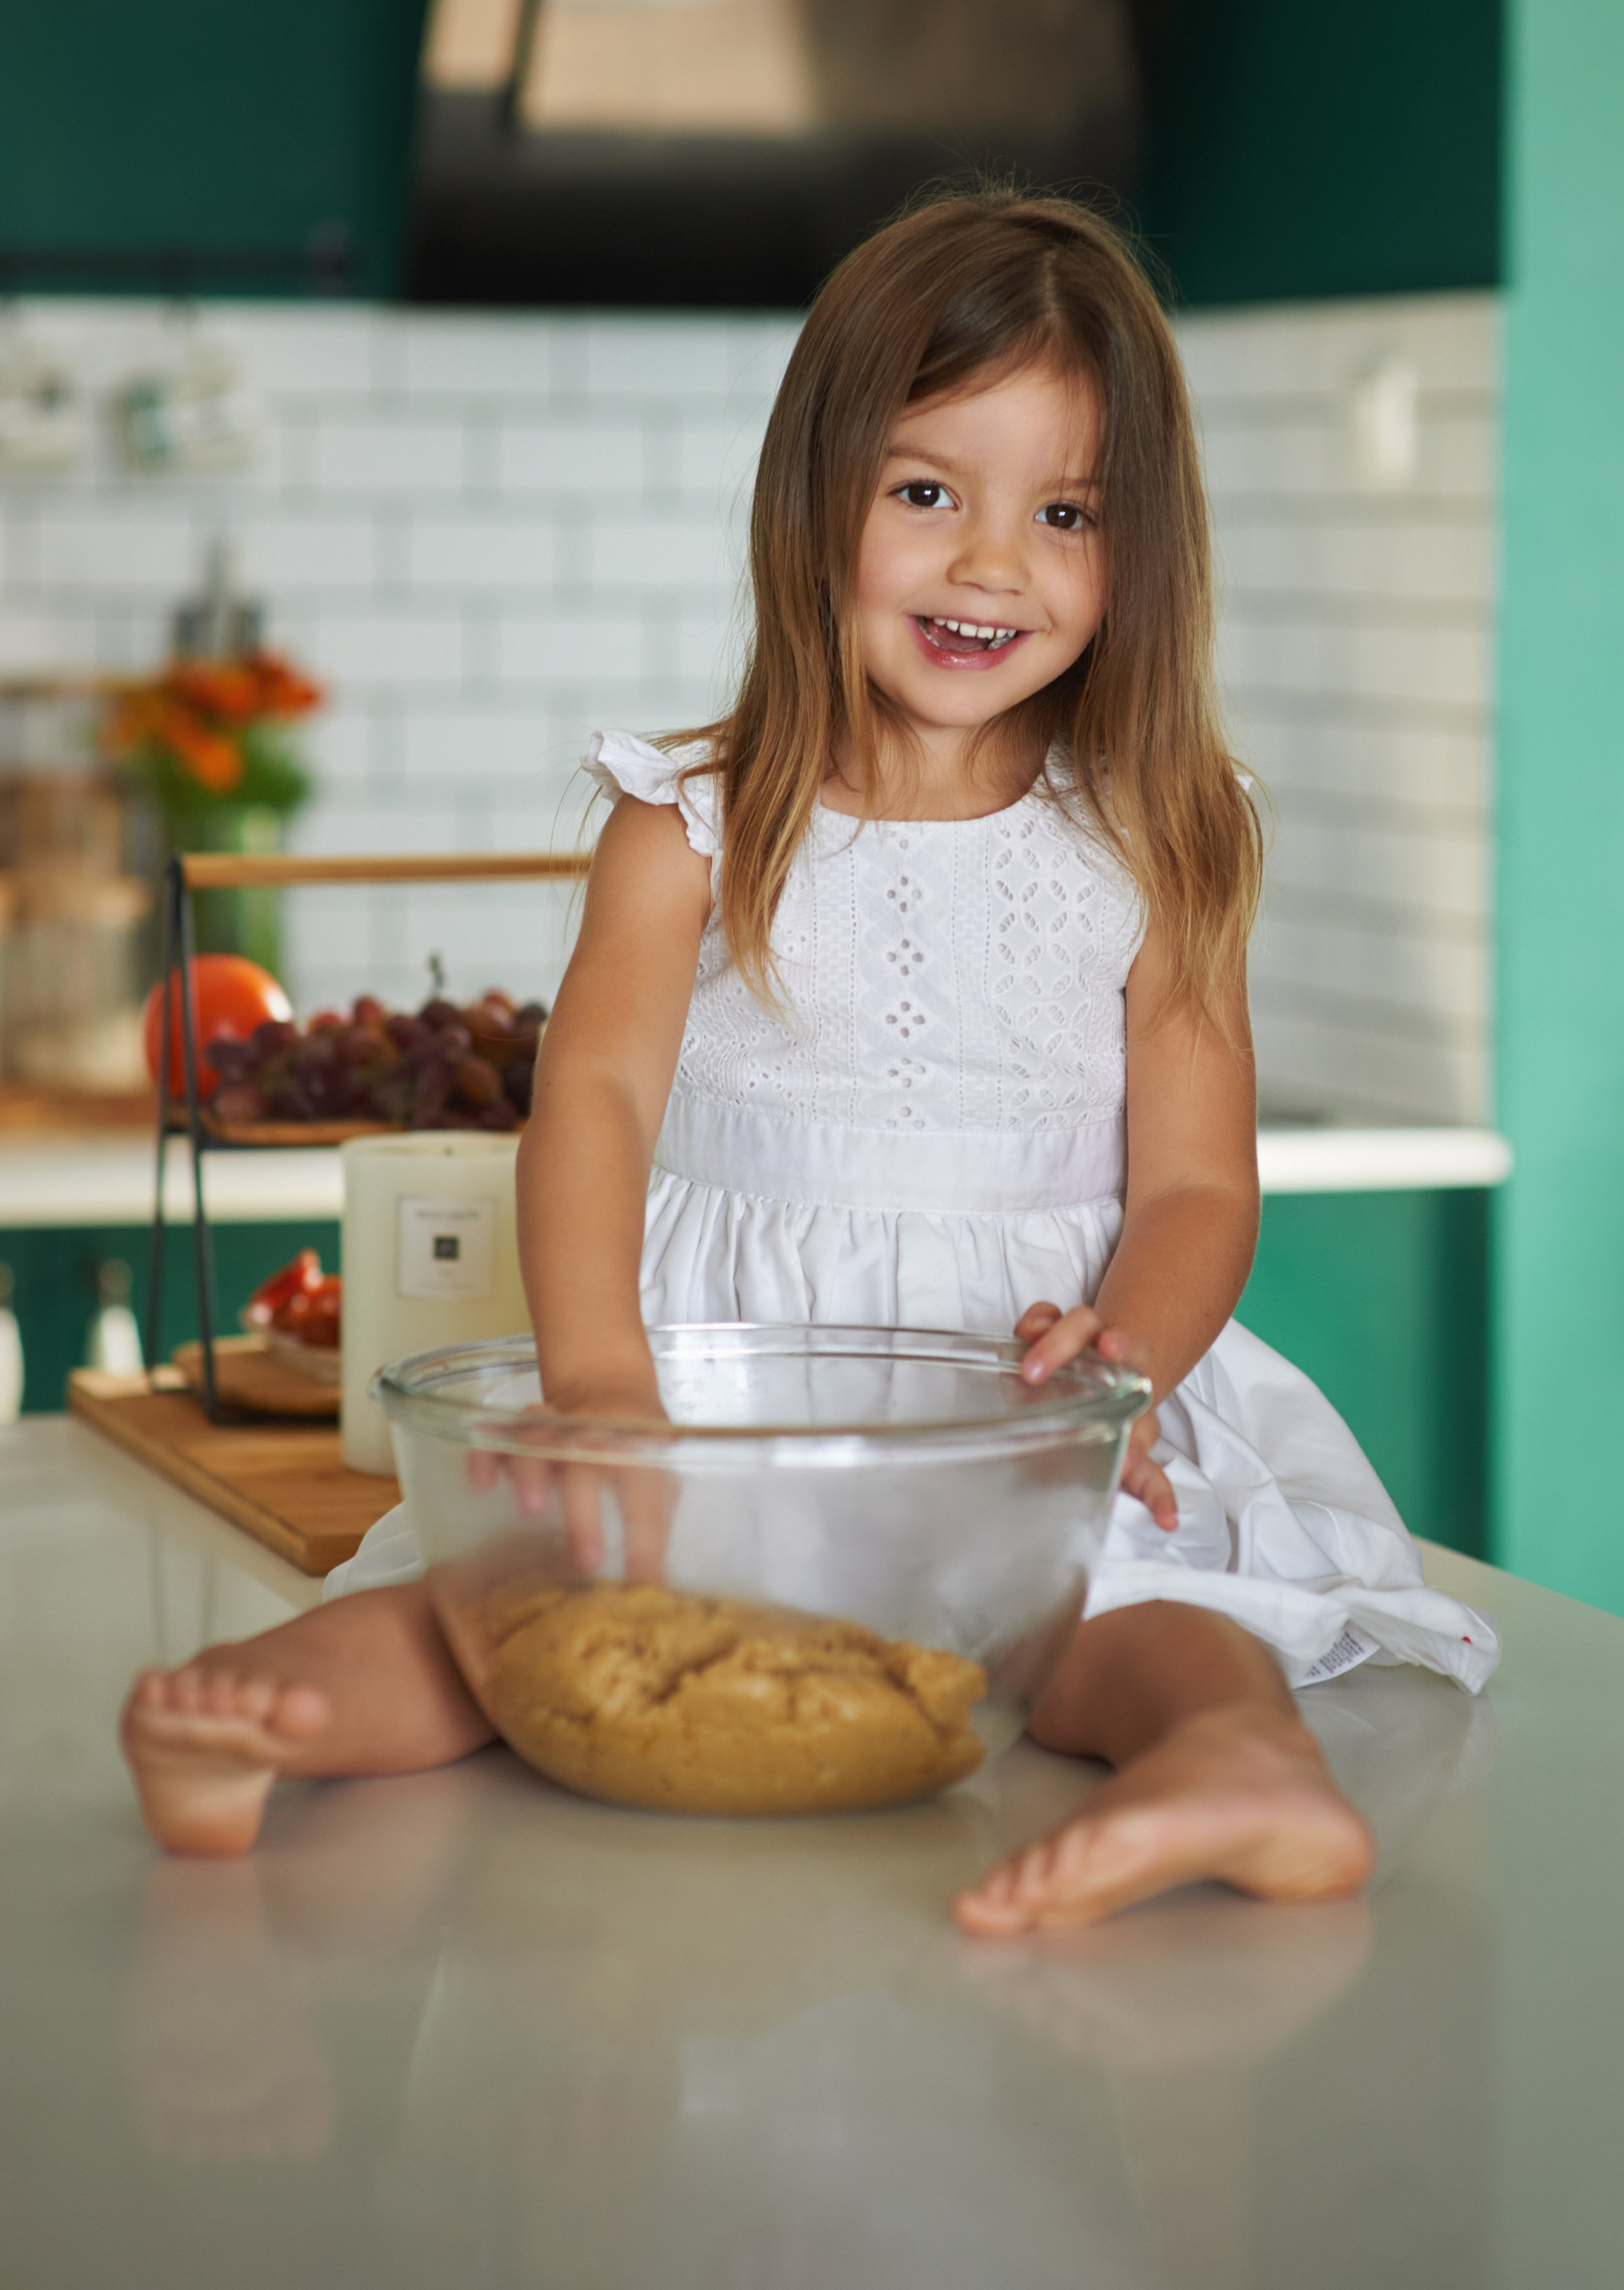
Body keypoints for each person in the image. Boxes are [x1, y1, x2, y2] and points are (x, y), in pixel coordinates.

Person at [121, 191, 1498, 1928]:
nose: (989, 562)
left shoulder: (1163, 841)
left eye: (1063, 512)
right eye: (928, 492)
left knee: (1124, 1625)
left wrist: (1123, 1359)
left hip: (1019, 1408)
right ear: (813, 496)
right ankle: (279, 1717)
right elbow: (595, 1101)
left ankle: (1239, 1768)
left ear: (1140, 551)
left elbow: (1201, 1181)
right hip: (712, 1386)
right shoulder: (689, 819)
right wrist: (602, 1375)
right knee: (521, 1614)